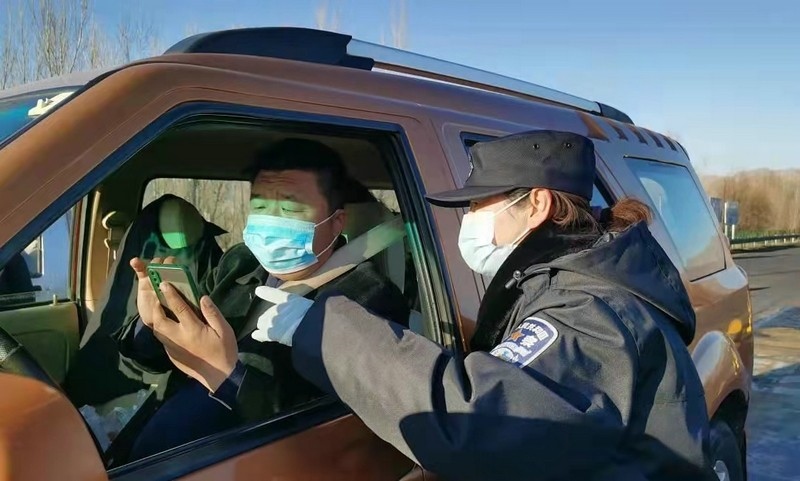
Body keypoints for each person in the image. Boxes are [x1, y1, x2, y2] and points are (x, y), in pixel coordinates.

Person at [148, 130, 715, 480]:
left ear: (537, 203)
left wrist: (317, 329)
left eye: (479, 204)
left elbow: (475, 418)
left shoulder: (588, 312)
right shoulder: (561, 286)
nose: (466, 221)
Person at [121, 138, 410, 459]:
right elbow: (156, 362)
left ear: (336, 223)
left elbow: (334, 433)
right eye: (259, 207)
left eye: (290, 208)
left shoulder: (371, 300)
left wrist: (229, 375)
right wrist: (154, 324)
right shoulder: (239, 262)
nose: (271, 221)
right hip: (162, 441)